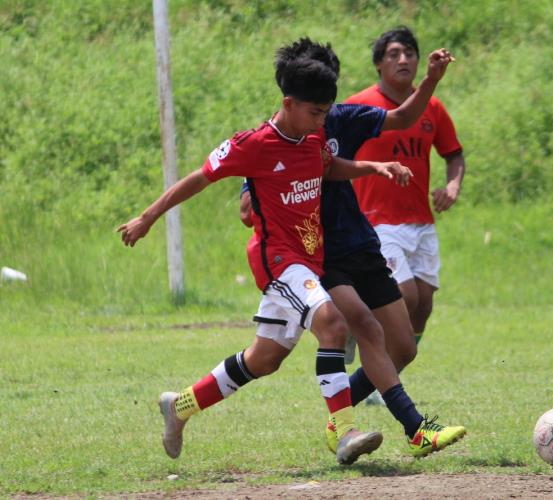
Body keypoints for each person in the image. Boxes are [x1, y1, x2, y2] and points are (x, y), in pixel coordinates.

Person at [117, 39, 411, 465]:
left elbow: (329, 169)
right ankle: (346, 431)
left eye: (325, 113)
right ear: (288, 103)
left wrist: (373, 167)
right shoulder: (253, 144)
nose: (321, 122)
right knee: (331, 323)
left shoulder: (312, 137)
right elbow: (199, 178)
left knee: (264, 359)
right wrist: (147, 218)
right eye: (314, 113)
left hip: (306, 261)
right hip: (279, 261)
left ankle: (179, 406)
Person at [241, 39, 466, 457]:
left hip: (361, 244)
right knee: (365, 327)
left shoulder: (342, 118)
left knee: (403, 347)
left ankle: (337, 416)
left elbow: (402, 117)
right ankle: (417, 430)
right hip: (319, 254)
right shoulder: (275, 137)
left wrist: (432, 79)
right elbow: (246, 205)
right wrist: (258, 196)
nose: (324, 105)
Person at [346, 27, 466, 356]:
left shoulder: (433, 108)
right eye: (394, 54)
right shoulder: (359, 106)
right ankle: (360, 329)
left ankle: (390, 372)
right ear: (378, 65)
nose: (404, 59)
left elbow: (453, 154)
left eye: (410, 53)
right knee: (404, 295)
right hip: (375, 220)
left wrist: (452, 185)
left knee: (423, 305)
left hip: (420, 220)